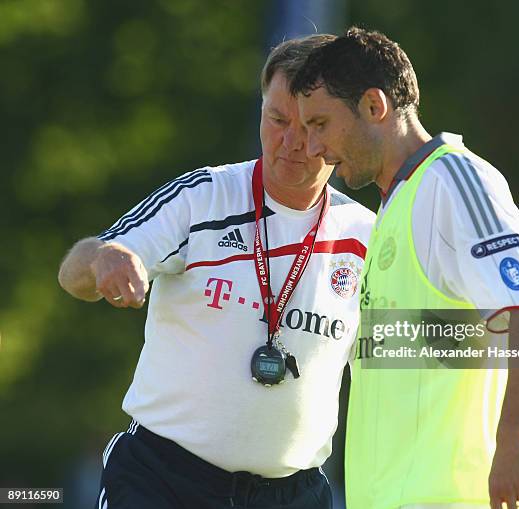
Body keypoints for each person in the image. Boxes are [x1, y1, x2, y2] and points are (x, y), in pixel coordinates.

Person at [58, 34, 375, 509]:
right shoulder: (202, 196)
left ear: (340, 127)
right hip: (161, 480)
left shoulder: (369, 236)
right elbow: (75, 272)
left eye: (311, 125)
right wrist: (104, 258)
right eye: (276, 119)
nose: (291, 141)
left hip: (294, 493)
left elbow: (407, 356)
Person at [291, 28, 519, 509]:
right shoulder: (391, 210)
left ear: (375, 106)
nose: (313, 148)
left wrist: (515, 440)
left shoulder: (454, 179)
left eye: (320, 124)